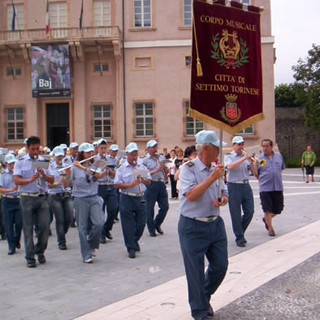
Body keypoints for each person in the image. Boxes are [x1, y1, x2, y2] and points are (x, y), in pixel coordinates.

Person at [178, 130, 228, 320]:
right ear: (206, 148)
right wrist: (211, 178)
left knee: (220, 266)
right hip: (192, 226)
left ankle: (203, 296)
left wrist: (223, 198)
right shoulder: (188, 168)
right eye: (217, 148)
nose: (219, 152)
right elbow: (190, 195)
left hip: (215, 224)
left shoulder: (217, 168)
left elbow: (224, 191)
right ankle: (199, 313)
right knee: (195, 272)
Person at [13, 136, 54, 268]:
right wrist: (30, 180)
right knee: (28, 229)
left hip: (41, 197)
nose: (35, 152)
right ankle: (30, 257)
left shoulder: (44, 160)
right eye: (33, 149)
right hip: (27, 197)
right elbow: (17, 181)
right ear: (27, 148)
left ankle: (40, 250)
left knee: (44, 227)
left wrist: (44, 175)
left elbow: (51, 180)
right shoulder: (20, 161)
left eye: (37, 149)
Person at [64, 142, 107, 263]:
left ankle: (92, 244)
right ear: (82, 154)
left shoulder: (96, 164)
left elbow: (98, 175)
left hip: (94, 197)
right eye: (88, 152)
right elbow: (67, 184)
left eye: (91, 152)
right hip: (80, 198)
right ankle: (86, 254)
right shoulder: (74, 167)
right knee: (82, 227)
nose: (91, 154)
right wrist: (67, 175)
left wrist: (83, 168)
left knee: (99, 223)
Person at [114, 142, 151, 258]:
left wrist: (144, 179)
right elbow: (117, 184)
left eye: (136, 154)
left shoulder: (141, 166)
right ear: (127, 155)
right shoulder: (121, 168)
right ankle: (131, 248)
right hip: (126, 197)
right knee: (128, 225)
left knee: (141, 222)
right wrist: (130, 184)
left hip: (140, 196)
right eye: (132, 155)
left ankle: (134, 240)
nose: (134, 157)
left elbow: (149, 182)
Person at [224, 136, 257, 247]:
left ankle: (240, 232)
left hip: (245, 185)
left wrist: (252, 161)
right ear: (233, 145)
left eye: (242, 144)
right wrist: (243, 159)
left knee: (250, 211)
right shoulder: (229, 156)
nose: (240, 146)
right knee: (235, 213)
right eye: (238, 144)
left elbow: (255, 172)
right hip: (234, 186)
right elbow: (230, 167)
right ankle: (239, 237)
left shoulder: (245, 157)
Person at [256, 138, 285, 237]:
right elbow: (256, 174)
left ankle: (266, 219)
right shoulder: (259, 159)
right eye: (263, 146)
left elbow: (281, 168)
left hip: (277, 186)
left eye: (266, 146)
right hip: (265, 188)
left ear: (271, 147)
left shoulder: (279, 156)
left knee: (279, 209)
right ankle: (270, 228)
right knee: (267, 209)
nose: (265, 148)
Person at [47, 147, 73, 250]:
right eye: (58, 156)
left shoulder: (66, 167)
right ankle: (61, 241)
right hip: (54, 195)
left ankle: (62, 232)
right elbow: (48, 184)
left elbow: (67, 185)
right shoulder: (50, 167)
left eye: (61, 156)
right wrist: (57, 183)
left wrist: (66, 175)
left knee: (69, 218)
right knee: (60, 218)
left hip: (66, 194)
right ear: (54, 156)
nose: (59, 158)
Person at [143, 140, 169, 236]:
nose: (155, 149)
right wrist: (156, 170)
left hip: (161, 183)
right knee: (149, 208)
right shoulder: (145, 160)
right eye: (153, 147)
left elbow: (166, 169)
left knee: (165, 206)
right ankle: (151, 229)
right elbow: (144, 174)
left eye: (156, 147)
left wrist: (165, 168)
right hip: (151, 184)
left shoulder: (161, 157)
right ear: (148, 149)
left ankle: (157, 224)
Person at [96, 139, 118, 243]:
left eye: (105, 148)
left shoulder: (111, 159)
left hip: (110, 185)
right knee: (101, 211)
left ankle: (107, 228)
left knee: (113, 209)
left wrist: (111, 172)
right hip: (100, 186)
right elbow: (93, 174)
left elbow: (116, 174)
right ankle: (101, 234)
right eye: (102, 148)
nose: (103, 150)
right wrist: (101, 173)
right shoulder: (94, 159)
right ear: (97, 148)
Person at [0, 153, 22, 255]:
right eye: (10, 163)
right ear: (6, 164)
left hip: (18, 199)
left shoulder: (19, 173)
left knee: (19, 223)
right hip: (7, 200)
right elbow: (0, 189)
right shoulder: (3, 175)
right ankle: (11, 246)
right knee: (8, 224)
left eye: (14, 163)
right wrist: (11, 189)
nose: (12, 165)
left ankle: (16, 239)